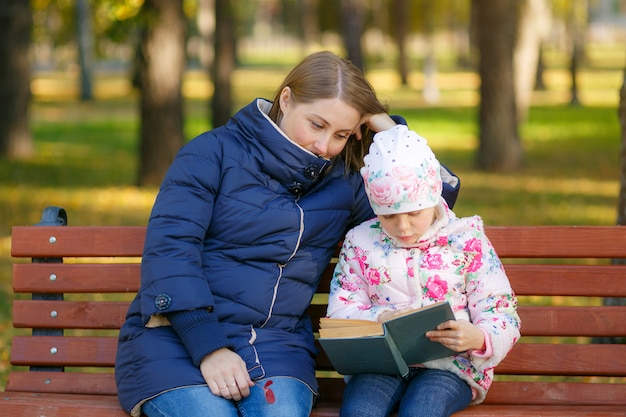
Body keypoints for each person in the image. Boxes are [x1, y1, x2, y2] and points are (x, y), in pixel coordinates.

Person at [114, 51, 460, 417]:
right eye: (316, 124)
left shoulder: (344, 182)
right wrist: (210, 348)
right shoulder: (210, 153)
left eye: (342, 134)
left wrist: (386, 127)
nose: (324, 146)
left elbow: (427, 197)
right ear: (287, 99)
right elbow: (171, 252)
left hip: (276, 347)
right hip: (177, 340)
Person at [326, 122, 521, 417]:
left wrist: (479, 338)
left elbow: (500, 311)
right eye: (389, 216)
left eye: (414, 213)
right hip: (380, 366)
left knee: (422, 410)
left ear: (433, 197)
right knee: (360, 411)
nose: (402, 227)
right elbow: (341, 311)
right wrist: (382, 319)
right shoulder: (360, 241)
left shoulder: (466, 239)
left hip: (451, 368)